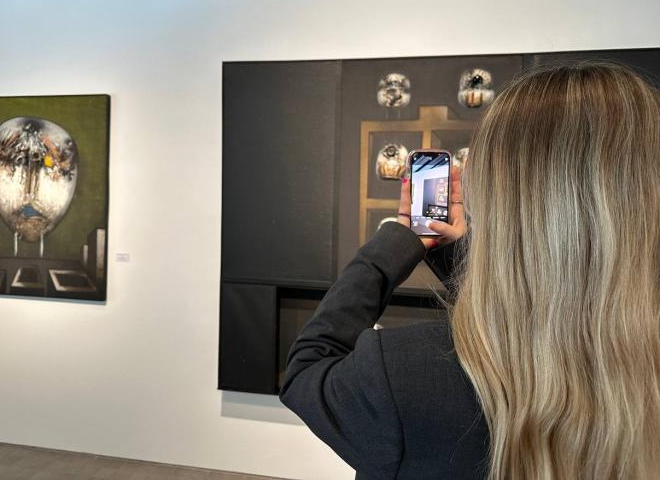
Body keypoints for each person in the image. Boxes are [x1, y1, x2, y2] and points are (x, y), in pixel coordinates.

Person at [279, 63, 660, 480]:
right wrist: (454, 255)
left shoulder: (404, 375)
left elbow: (308, 369)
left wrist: (397, 242)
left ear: (496, 193)